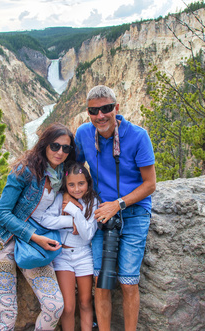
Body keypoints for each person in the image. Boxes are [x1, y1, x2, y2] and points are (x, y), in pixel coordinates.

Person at [72, 85, 156, 331]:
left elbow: (150, 184)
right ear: (88, 113)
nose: (100, 116)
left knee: (128, 282)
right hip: (101, 211)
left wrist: (118, 204)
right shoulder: (84, 134)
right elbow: (74, 171)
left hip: (133, 211)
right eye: (94, 111)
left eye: (106, 109)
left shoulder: (139, 136)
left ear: (116, 109)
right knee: (101, 281)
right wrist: (71, 202)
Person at [0, 123, 76, 331]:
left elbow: (78, 184)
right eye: (55, 146)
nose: (60, 152)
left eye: (66, 148)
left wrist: (69, 199)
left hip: (32, 246)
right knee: (6, 314)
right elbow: (2, 213)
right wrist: (34, 236)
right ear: (44, 145)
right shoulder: (25, 170)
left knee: (55, 306)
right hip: (3, 240)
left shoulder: (61, 173)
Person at [40, 162, 99, 331]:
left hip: (84, 255)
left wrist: (74, 211)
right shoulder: (60, 199)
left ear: (88, 182)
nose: (76, 189)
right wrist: (70, 221)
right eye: (71, 185)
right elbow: (46, 220)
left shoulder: (93, 202)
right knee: (68, 306)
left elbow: (87, 234)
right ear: (66, 185)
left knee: (85, 302)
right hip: (63, 256)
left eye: (81, 183)